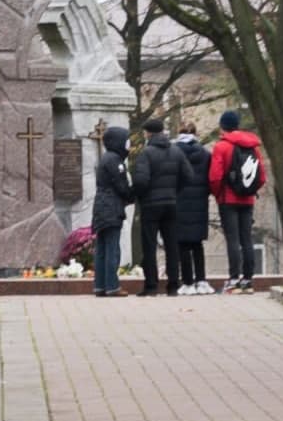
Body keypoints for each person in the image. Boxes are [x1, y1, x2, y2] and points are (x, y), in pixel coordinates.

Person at [131, 117, 192, 296]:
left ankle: (151, 286)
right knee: (172, 245)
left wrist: (139, 195)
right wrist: (174, 191)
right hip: (171, 204)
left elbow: (142, 181)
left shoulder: (146, 153)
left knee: (149, 246)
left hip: (151, 205)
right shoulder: (176, 151)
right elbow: (188, 176)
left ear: (148, 133)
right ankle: (173, 285)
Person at [208, 110, 266, 293]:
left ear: (222, 126)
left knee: (233, 239)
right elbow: (262, 176)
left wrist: (218, 194)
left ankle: (234, 279)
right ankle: (248, 280)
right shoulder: (253, 147)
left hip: (228, 198)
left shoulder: (221, 147)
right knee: (247, 239)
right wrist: (251, 190)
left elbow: (215, 177)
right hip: (247, 199)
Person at [92, 125, 134, 297]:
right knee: (112, 248)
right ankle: (112, 286)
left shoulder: (106, 158)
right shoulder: (115, 161)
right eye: (126, 141)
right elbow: (121, 186)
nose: (128, 145)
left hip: (102, 207)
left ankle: (100, 285)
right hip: (111, 207)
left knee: (102, 248)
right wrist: (133, 194)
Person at [174, 122, 214, 295]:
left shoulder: (173, 152)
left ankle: (187, 282)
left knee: (182, 244)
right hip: (199, 203)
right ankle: (202, 280)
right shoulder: (205, 154)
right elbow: (211, 178)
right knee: (197, 244)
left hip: (179, 202)